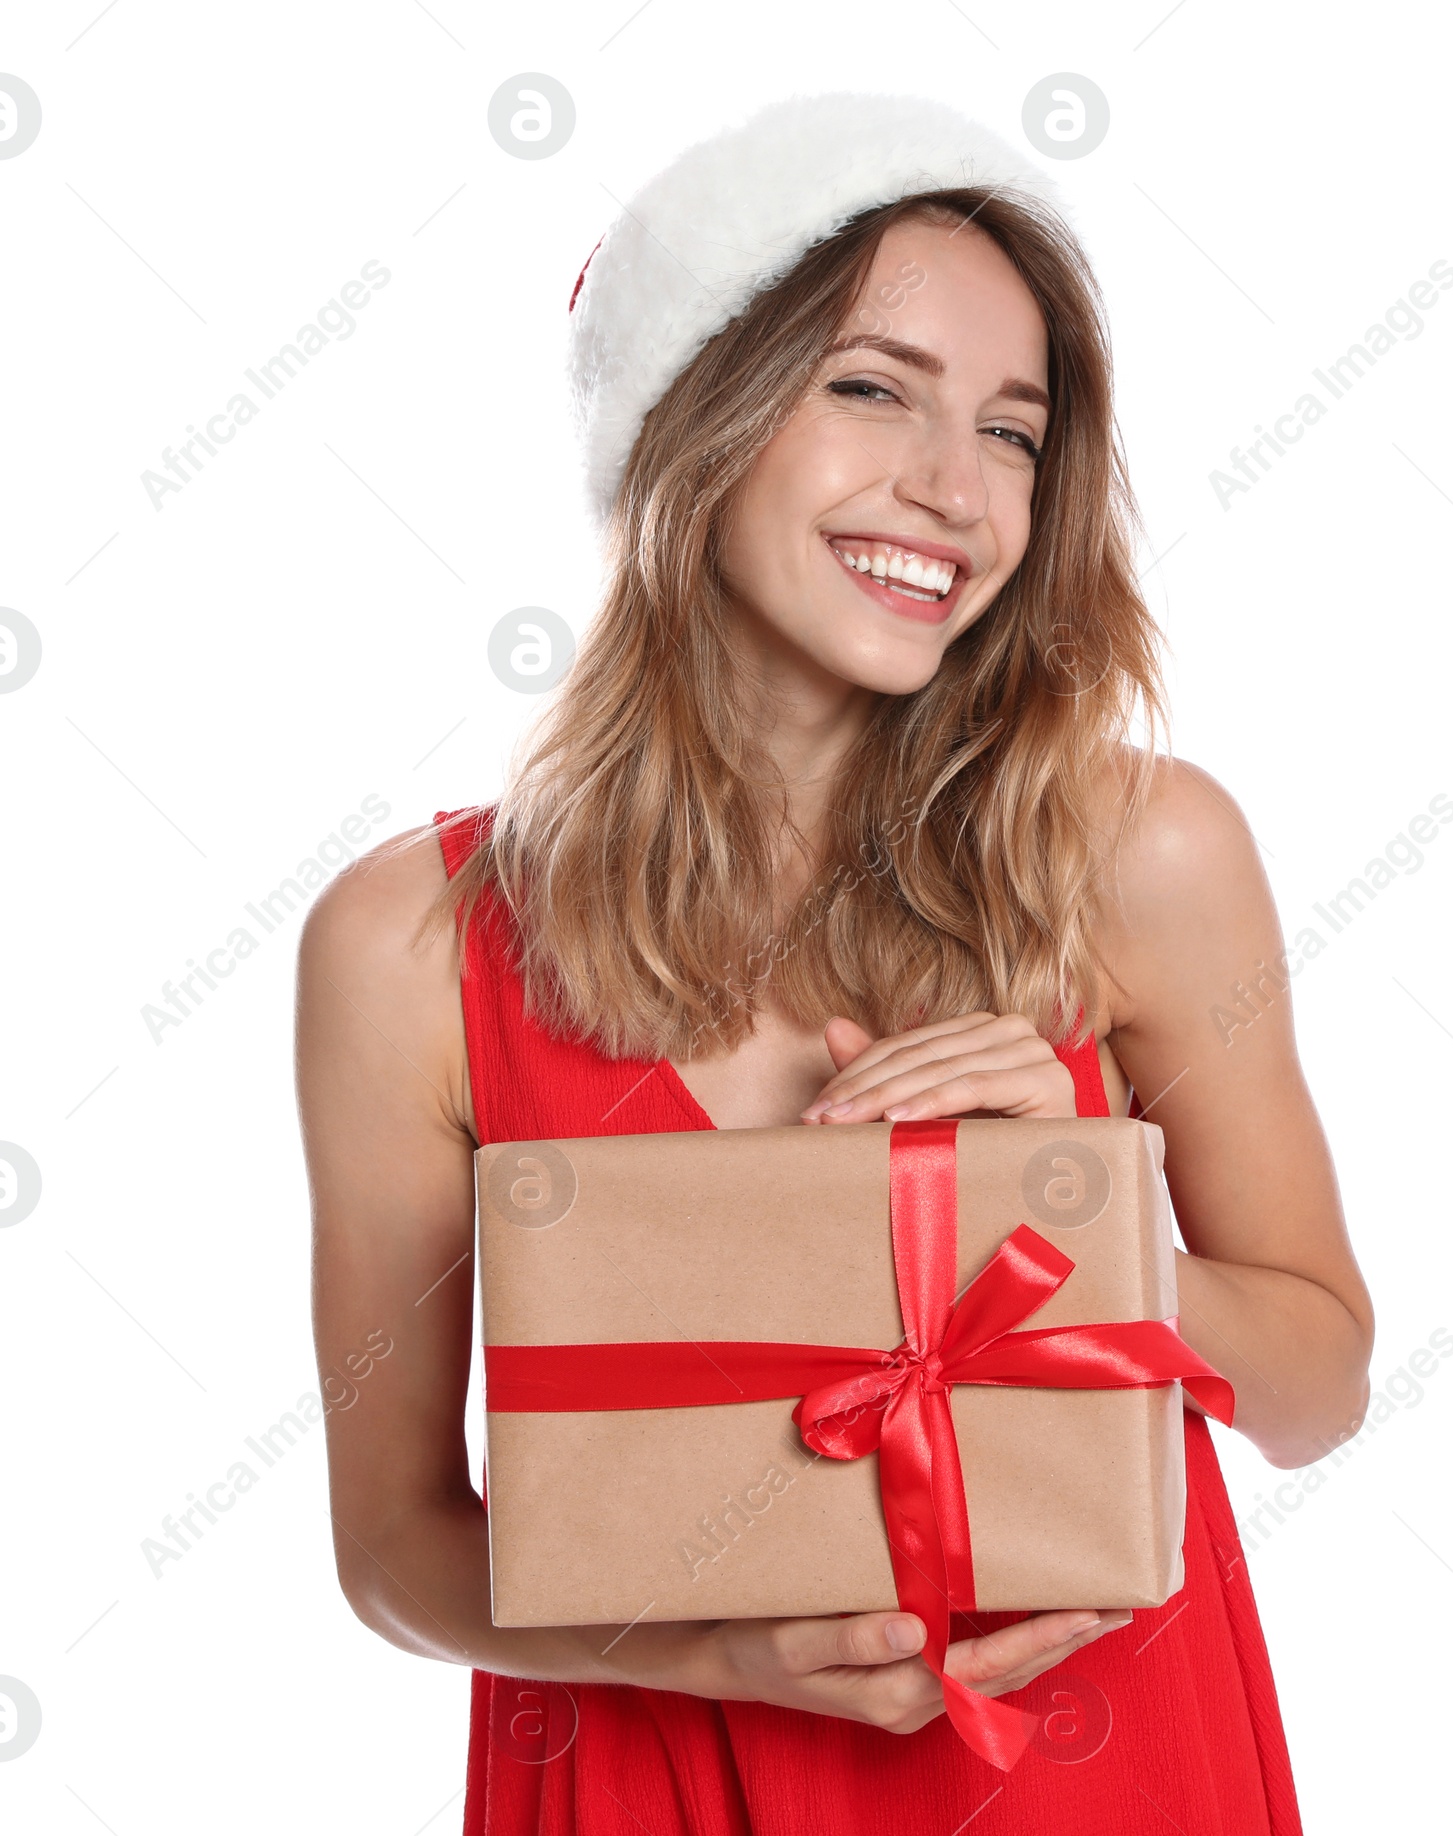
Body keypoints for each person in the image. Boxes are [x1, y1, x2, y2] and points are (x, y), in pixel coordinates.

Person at [296, 93, 1373, 1835]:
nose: (956, 490)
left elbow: (1322, 1384)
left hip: (1094, 1770)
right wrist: (705, 1657)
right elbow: (396, 1547)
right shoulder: (409, 952)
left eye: (1014, 433)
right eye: (872, 389)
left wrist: (1074, 1213)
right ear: (689, 419)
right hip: (655, 1766)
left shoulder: (1142, 856)